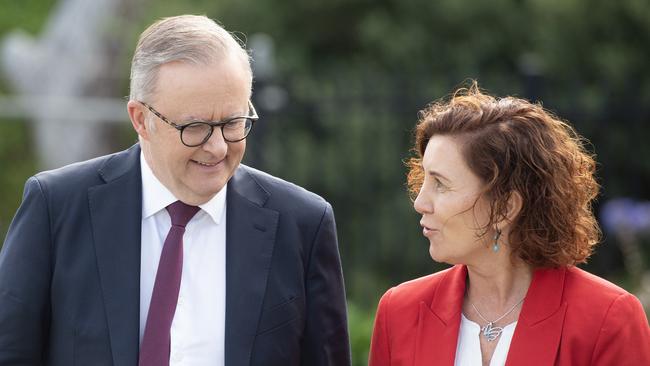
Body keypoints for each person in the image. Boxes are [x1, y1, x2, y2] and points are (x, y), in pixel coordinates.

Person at [0, 15, 350, 366]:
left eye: (232, 123)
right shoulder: (56, 207)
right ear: (140, 119)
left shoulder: (302, 223)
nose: (217, 147)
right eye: (195, 127)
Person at [368, 83, 650, 366]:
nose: (420, 202)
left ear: (505, 207)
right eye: (424, 180)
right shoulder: (399, 312)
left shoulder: (608, 320)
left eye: (440, 184)